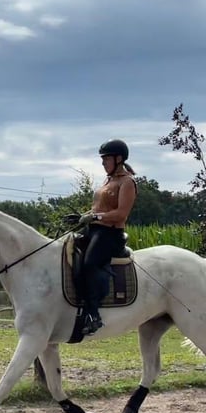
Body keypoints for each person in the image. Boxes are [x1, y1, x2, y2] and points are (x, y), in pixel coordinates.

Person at [77, 138, 137, 335]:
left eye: (106, 159)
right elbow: (98, 208)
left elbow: (121, 214)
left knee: (90, 263)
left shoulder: (127, 182)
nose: (103, 163)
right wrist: (81, 217)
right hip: (94, 229)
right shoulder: (108, 180)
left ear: (118, 159)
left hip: (110, 234)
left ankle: (93, 314)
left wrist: (94, 216)